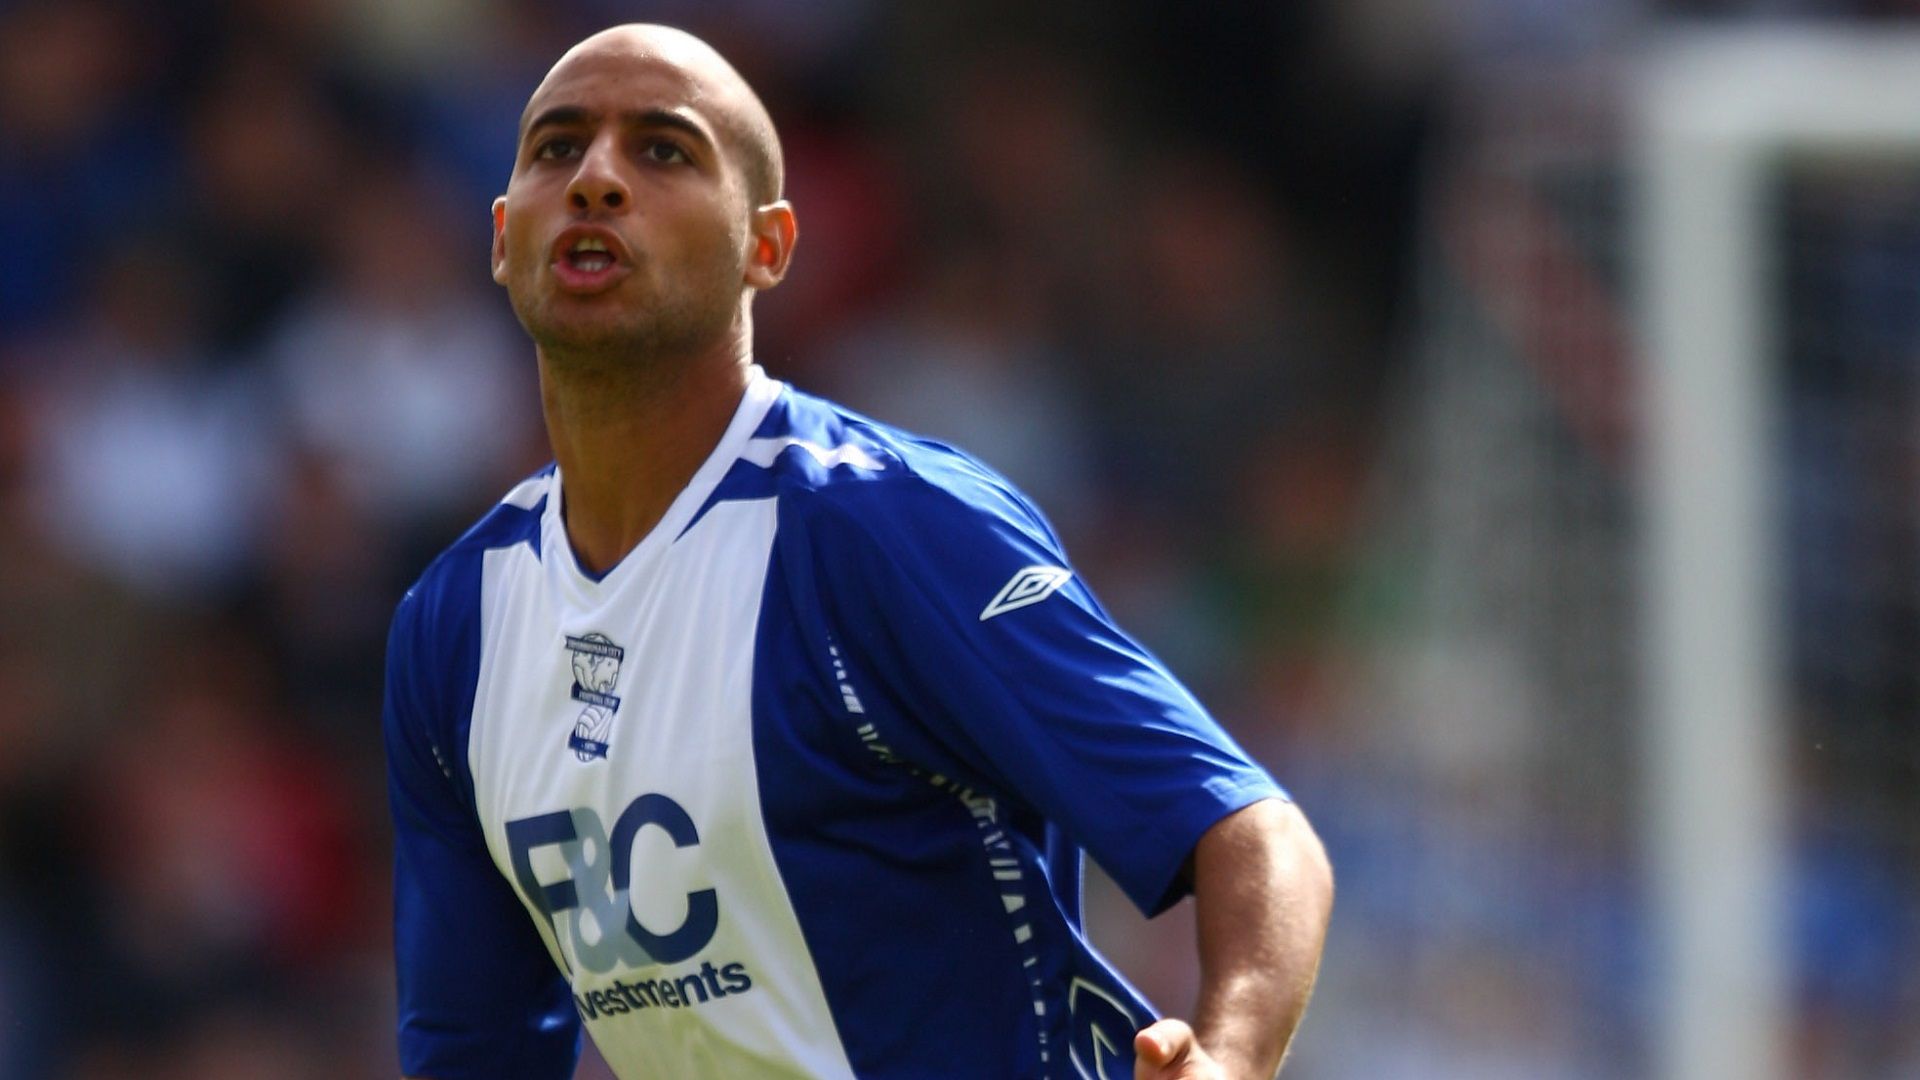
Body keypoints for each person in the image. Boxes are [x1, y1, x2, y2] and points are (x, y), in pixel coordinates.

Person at [383, 23, 1333, 1080]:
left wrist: (1233, 1055)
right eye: (559, 148)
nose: (599, 178)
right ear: (504, 236)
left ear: (769, 246)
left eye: (664, 151)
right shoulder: (453, 628)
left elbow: (1253, 832)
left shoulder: (881, 530)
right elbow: (475, 1048)